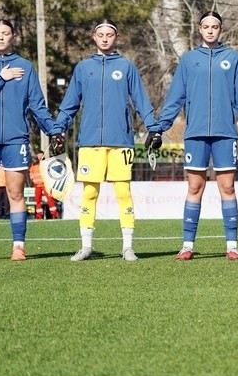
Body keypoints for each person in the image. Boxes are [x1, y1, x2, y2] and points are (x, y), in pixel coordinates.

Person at [153, 11, 238, 260]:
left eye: (214, 27)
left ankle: (232, 245)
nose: (210, 30)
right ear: (199, 29)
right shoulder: (188, 60)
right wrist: (160, 127)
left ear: (220, 29)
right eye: (206, 26)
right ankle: (187, 245)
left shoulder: (232, 58)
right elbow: (175, 98)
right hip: (195, 133)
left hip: (225, 134)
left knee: (227, 187)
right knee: (195, 186)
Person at [54, 19, 162, 262]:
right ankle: (86, 246)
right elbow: (69, 104)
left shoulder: (126, 67)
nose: (105, 38)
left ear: (117, 37)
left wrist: (154, 129)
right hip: (90, 141)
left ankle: (127, 247)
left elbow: (142, 102)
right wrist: (58, 129)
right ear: (94, 36)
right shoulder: (83, 68)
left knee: (123, 192)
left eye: (109, 34)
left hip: (121, 141)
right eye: (100, 34)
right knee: (89, 193)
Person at [0, 18, 62, 261]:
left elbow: (38, 106)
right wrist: (1, 77)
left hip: (16, 138)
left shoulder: (26, 67)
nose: (1, 37)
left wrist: (53, 130)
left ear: (13, 36)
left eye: (5, 33)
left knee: (15, 193)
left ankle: (18, 246)